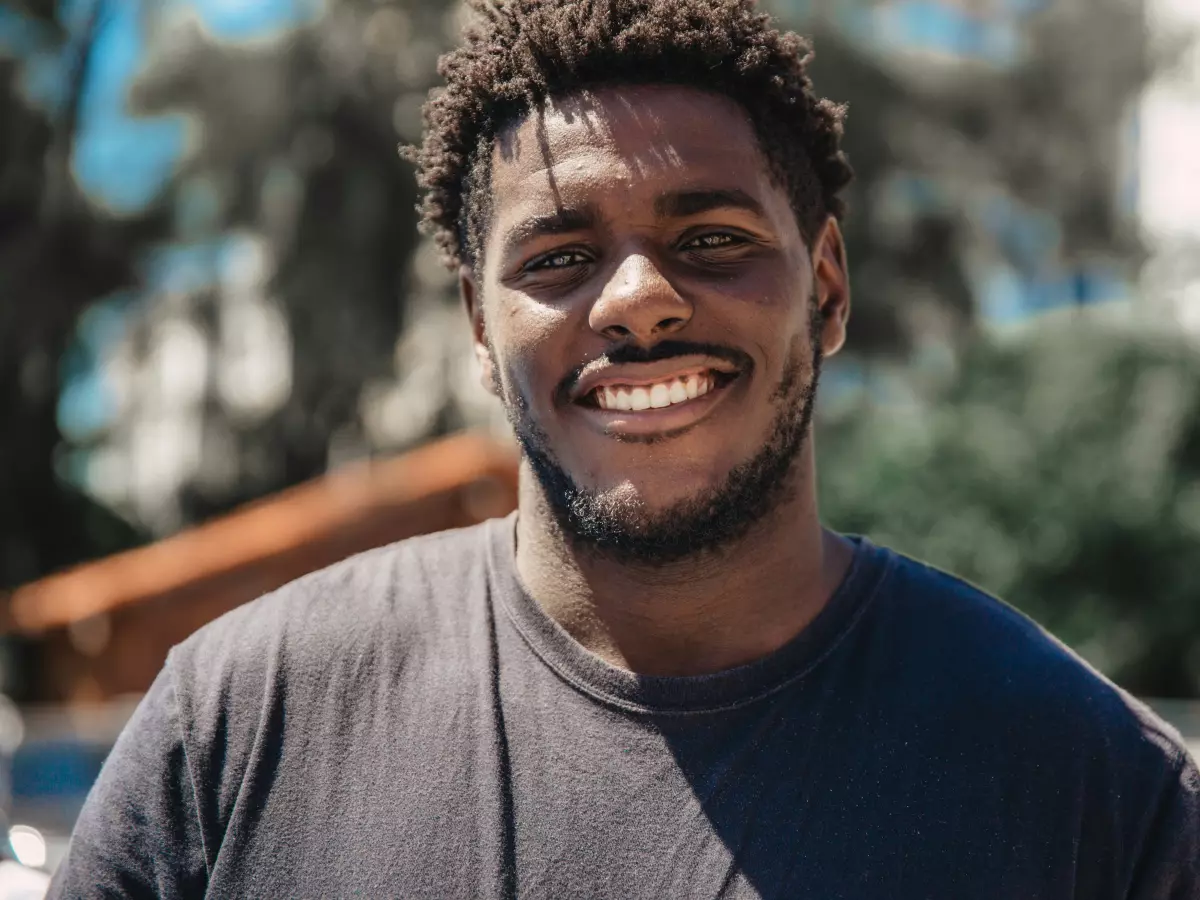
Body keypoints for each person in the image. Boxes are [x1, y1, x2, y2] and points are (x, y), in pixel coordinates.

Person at [49, 1, 1199, 897]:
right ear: (479, 330)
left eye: (712, 237)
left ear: (828, 287)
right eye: (557, 258)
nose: (641, 300)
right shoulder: (245, 719)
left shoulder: (1090, 781)